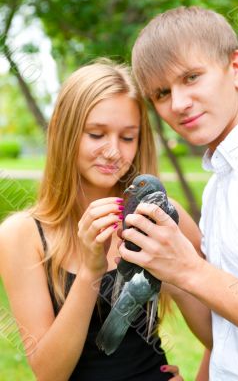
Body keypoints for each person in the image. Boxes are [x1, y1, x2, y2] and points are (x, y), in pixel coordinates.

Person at [0, 58, 207, 380]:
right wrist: (89, 271)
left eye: (128, 138)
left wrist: (180, 275)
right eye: (96, 134)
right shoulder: (22, 235)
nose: (113, 151)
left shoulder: (163, 216)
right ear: (63, 133)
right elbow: (49, 373)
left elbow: (221, 334)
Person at [119, 6, 238, 380]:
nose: (179, 104)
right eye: (163, 93)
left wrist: (188, 269)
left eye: (192, 77)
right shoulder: (221, 180)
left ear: (236, 68)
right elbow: (230, 331)